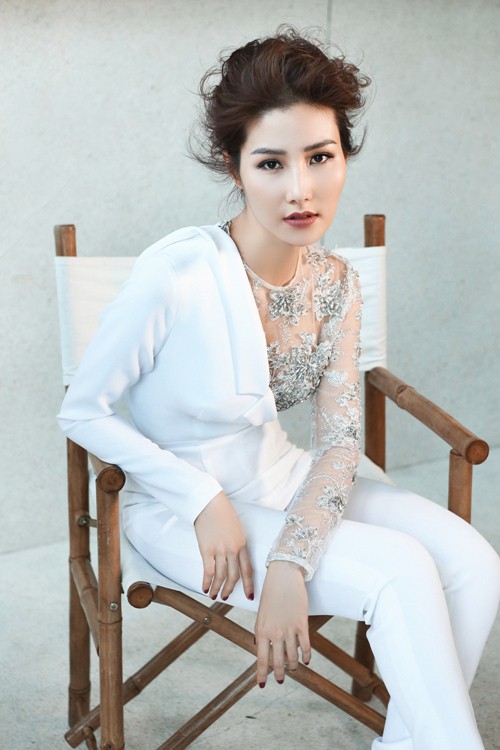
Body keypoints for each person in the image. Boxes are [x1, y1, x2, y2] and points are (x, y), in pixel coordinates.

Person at [58, 27, 500, 750]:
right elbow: (82, 409)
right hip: (179, 509)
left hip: (282, 476)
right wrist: (201, 498)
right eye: (271, 163)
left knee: (475, 564)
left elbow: (341, 442)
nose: (301, 189)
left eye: (320, 157)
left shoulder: (334, 282)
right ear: (233, 167)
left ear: (344, 156)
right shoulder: (177, 273)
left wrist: (292, 559)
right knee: (400, 572)